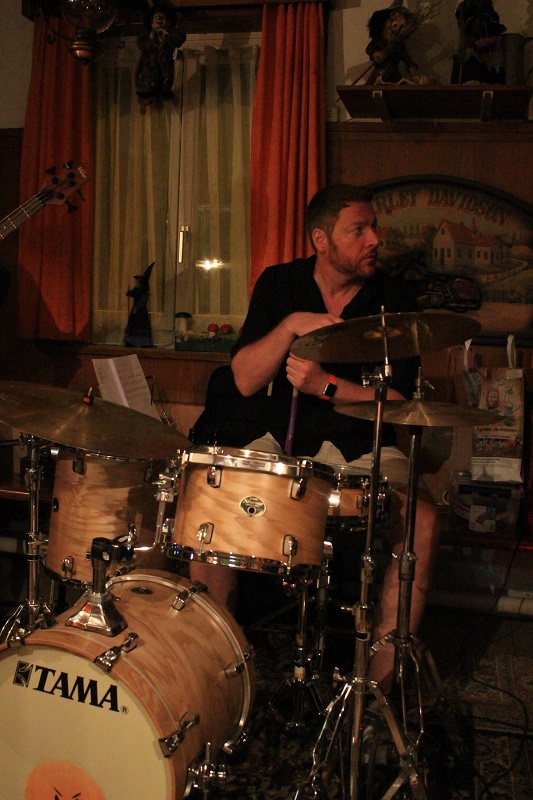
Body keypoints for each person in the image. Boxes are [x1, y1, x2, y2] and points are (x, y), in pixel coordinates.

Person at [191, 184, 440, 693]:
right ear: (321, 240)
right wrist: (289, 325)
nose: (375, 239)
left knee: (423, 519)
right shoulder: (280, 283)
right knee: (210, 503)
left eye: (374, 227)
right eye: (358, 230)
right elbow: (244, 379)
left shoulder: (391, 299)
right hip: (277, 442)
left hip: (362, 446)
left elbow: (399, 403)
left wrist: (325, 386)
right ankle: (221, 672)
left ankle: (379, 688)